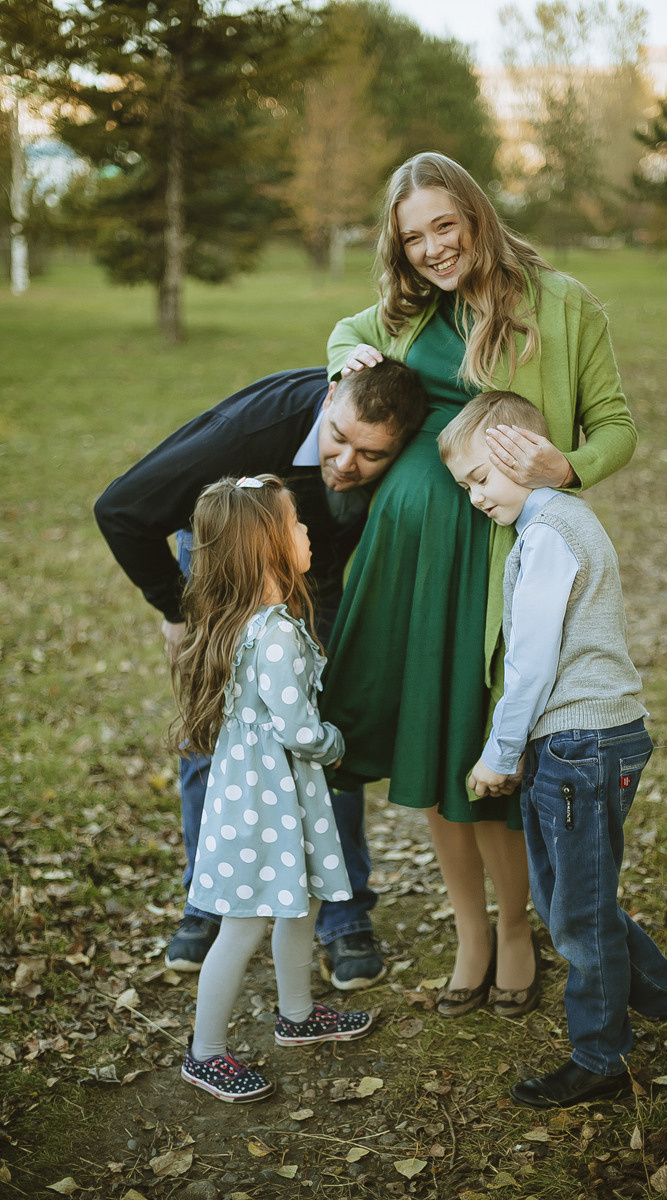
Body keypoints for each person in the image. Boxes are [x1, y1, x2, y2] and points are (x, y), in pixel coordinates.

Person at [320, 152, 638, 1018]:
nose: (432, 249)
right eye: (412, 237)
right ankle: (470, 932)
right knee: (432, 743)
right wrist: (348, 356)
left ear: (475, 216)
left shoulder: (561, 304)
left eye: (444, 226)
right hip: (410, 561)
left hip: (499, 557)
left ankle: (516, 931)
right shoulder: (404, 309)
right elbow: (344, 334)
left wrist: (567, 466)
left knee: (487, 748)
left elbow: (617, 425)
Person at [439, 390, 667, 1108]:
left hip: (586, 743)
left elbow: (533, 662)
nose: (475, 497)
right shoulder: (547, 525)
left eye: (481, 478)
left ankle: (602, 1053)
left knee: (579, 910)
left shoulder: (550, 534)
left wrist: (500, 751)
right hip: (571, 743)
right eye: (465, 486)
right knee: (567, 901)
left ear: (520, 455)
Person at [94, 362, 428, 987]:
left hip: (314, 566)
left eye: (372, 455)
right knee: (219, 729)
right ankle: (208, 902)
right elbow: (119, 509)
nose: (346, 463)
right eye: (337, 439)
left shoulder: (404, 430)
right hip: (224, 570)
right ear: (329, 398)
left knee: (323, 722)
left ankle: (342, 911)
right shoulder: (247, 434)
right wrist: (176, 610)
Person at [171, 474, 374, 1103]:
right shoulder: (276, 631)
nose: (308, 531)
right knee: (244, 924)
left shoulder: (242, 621)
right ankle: (205, 1052)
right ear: (268, 545)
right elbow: (298, 729)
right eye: (296, 523)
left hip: (268, 792)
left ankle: (297, 1014)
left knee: (300, 902)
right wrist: (335, 743)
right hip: (265, 800)